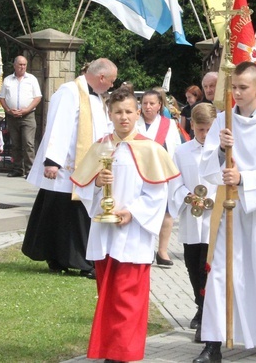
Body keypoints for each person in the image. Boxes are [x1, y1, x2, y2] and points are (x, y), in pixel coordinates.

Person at [194, 61, 256, 363]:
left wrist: (243, 178)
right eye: (234, 87)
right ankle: (213, 343)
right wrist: (218, 150)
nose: (237, 93)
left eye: (243, 88)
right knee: (222, 273)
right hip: (230, 211)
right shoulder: (223, 121)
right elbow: (207, 168)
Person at [71, 86, 181, 363]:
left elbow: (157, 194)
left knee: (127, 298)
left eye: (129, 112)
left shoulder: (150, 149)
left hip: (133, 233)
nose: (124, 117)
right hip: (106, 232)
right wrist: (97, 183)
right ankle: (109, 350)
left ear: (138, 112)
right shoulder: (101, 147)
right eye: (118, 112)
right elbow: (83, 192)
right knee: (107, 295)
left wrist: (132, 213)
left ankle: (123, 353)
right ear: (110, 114)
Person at [21, 58, 117, 278]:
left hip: (85, 166)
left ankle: (57, 257)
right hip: (65, 168)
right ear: (101, 77)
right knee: (69, 215)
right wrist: (52, 161)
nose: (111, 85)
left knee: (61, 214)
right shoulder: (69, 92)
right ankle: (81, 261)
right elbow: (58, 125)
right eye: (111, 81)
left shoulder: (96, 97)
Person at [169, 102, 218, 343]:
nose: (205, 135)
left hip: (213, 219)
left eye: (209, 130)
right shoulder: (182, 151)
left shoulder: (223, 151)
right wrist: (186, 196)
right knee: (191, 264)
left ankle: (208, 315)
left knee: (206, 267)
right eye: (200, 130)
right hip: (191, 216)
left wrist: (214, 199)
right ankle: (199, 305)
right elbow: (174, 182)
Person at [137, 88, 182, 268]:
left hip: (162, 175)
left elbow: (175, 149)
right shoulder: (135, 123)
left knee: (166, 212)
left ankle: (162, 251)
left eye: (152, 103)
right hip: (139, 174)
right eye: (144, 103)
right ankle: (143, 250)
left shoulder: (168, 125)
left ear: (159, 106)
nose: (147, 107)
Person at [0, 56, 42, 177]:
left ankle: (30, 171)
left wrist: (27, 109)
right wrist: (8, 110)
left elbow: (38, 97)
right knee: (15, 144)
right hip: (12, 116)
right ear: (15, 65)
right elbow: (2, 97)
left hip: (28, 116)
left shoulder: (32, 79)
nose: (22, 67)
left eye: (24, 65)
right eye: (20, 65)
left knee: (28, 143)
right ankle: (17, 169)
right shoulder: (8, 80)